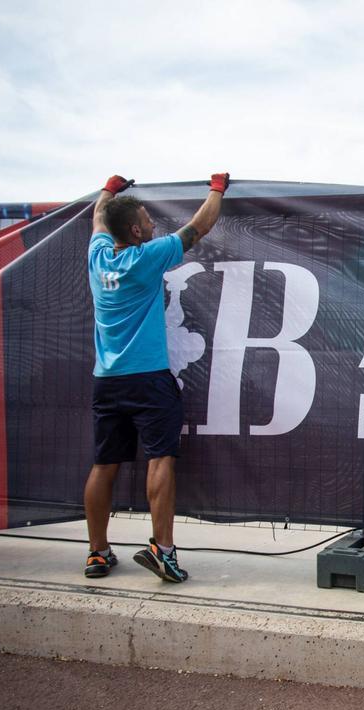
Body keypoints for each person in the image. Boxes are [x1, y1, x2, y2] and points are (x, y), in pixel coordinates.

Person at [82, 172, 229, 581]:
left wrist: (109, 190)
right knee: (160, 459)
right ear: (134, 230)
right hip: (148, 379)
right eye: (147, 219)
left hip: (106, 379)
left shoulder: (98, 255)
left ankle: (97, 552)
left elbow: (98, 217)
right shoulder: (146, 256)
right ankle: (162, 550)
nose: (152, 224)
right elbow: (199, 227)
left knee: (103, 464)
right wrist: (217, 189)